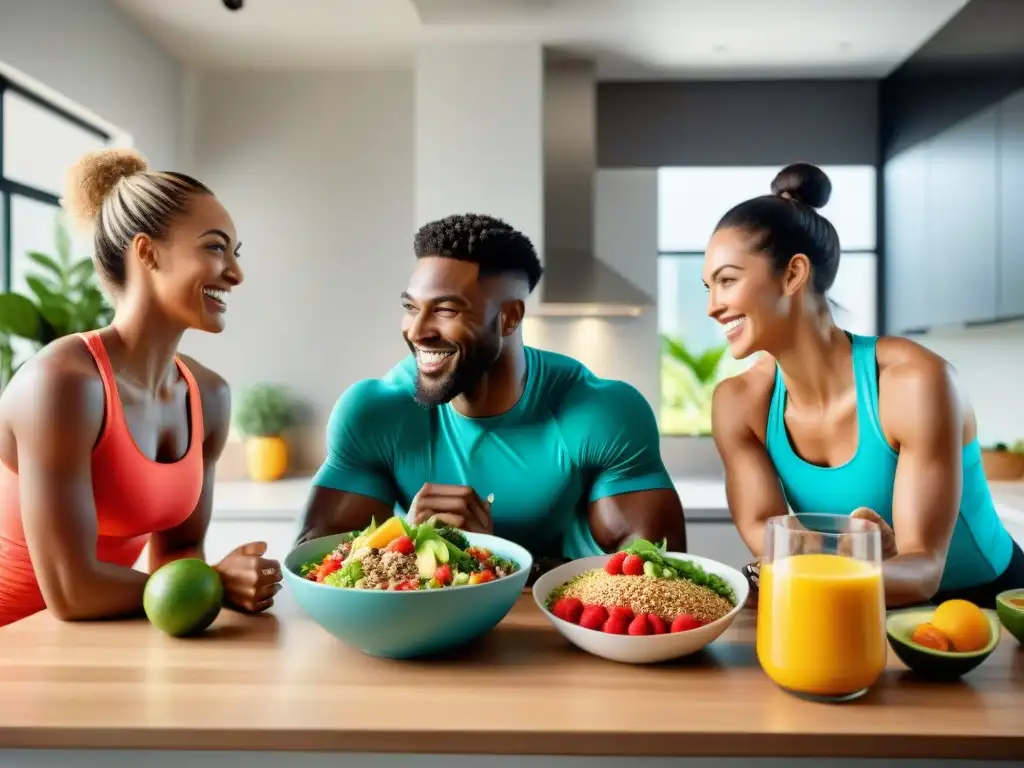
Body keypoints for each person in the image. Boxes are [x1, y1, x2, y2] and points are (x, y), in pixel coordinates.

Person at [707, 162, 1024, 609]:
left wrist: (820, 562)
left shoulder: (915, 382)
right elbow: (764, 530)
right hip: (860, 596)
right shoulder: (739, 404)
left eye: (726, 281)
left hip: (991, 604)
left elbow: (923, 570)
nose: (712, 306)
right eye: (708, 286)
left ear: (794, 274)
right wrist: (849, 553)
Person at [297, 213, 685, 571]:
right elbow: (311, 561)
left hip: (558, 629)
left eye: (446, 310)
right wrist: (407, 540)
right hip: (419, 630)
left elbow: (658, 570)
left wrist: (494, 557)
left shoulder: (600, 413)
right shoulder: (373, 413)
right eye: (412, 308)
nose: (417, 331)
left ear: (509, 317)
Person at [0, 148, 283, 628]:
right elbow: (71, 590)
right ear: (147, 252)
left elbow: (177, 554)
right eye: (215, 248)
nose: (235, 274)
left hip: (99, 637)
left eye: (235, 253)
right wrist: (214, 582)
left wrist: (214, 579)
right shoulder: (62, 385)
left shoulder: (208, 396)